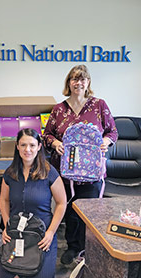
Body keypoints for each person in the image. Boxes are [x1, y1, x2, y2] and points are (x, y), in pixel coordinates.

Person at [43, 64, 118, 265]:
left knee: (90, 211)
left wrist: (105, 142)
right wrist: (56, 142)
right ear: (69, 83)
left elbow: (113, 132)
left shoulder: (99, 105)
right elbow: (46, 135)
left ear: (88, 82)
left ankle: (89, 249)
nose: (79, 82)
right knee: (69, 210)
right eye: (75, 79)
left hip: (92, 171)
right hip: (65, 172)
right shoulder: (59, 109)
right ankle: (73, 246)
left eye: (83, 79)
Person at [0, 128, 67, 278]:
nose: (27, 149)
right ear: (17, 146)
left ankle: (33, 275)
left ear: (38, 147)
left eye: (31, 145)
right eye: (23, 145)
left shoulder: (49, 172)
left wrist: (51, 233)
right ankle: (27, 273)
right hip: (17, 233)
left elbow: (61, 203)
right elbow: (4, 201)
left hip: (42, 235)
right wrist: (7, 226)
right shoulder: (10, 172)